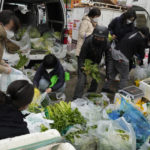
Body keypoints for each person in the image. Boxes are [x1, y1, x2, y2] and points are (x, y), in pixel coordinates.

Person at [103, 27, 149, 92]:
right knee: (124, 77)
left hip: (114, 52)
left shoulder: (131, 33)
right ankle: (120, 93)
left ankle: (105, 88)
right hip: (122, 57)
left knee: (113, 73)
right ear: (145, 34)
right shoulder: (140, 39)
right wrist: (140, 58)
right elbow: (141, 52)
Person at [73, 25, 110, 99]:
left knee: (96, 79)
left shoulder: (106, 43)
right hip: (85, 62)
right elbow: (81, 57)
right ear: (94, 35)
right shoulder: (88, 41)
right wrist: (82, 67)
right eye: (97, 37)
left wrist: (108, 73)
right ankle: (76, 98)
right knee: (82, 80)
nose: (99, 39)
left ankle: (91, 94)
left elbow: (108, 59)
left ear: (105, 37)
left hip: (96, 62)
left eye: (101, 38)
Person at [0, 10, 20, 74]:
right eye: (10, 29)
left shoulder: (2, 37)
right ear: (1, 24)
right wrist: (4, 70)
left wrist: (2, 62)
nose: (12, 32)